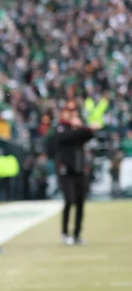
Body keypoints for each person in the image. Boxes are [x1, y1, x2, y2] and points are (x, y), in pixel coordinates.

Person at [54, 100, 98, 245]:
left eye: (74, 111)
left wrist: (88, 128)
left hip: (79, 170)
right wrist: (79, 127)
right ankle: (65, 232)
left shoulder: (78, 129)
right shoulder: (61, 127)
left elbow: (88, 136)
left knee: (80, 202)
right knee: (69, 200)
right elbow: (65, 137)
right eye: (69, 111)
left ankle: (77, 234)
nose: (72, 114)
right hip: (66, 170)